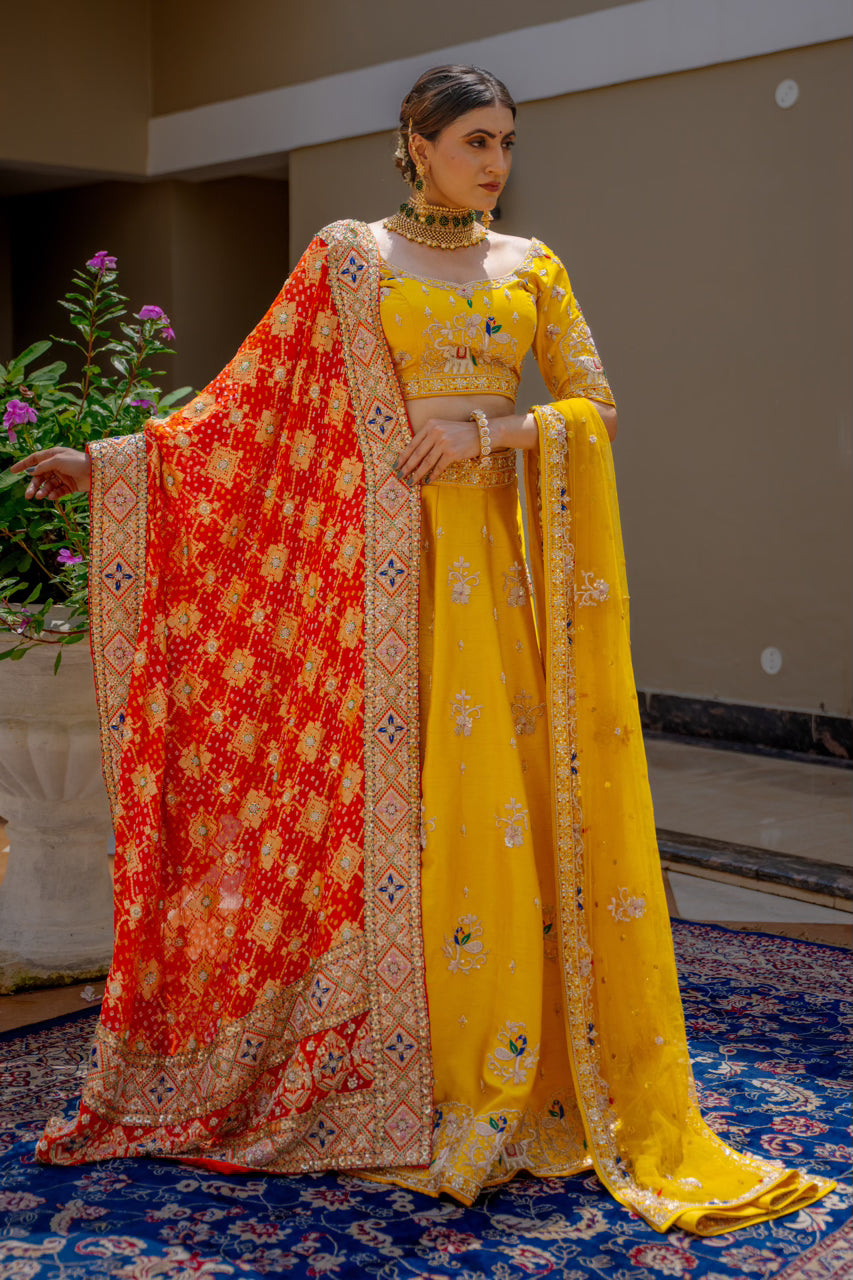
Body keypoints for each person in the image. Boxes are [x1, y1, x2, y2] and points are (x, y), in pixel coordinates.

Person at [13, 65, 832, 1234]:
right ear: (416, 140)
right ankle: (404, 1068)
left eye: (506, 142)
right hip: (379, 593)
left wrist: (499, 431)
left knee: (496, 808)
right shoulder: (350, 260)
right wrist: (111, 464)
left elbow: (594, 409)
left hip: (495, 579)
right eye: (473, 140)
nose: (494, 163)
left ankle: (506, 1064)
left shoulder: (531, 265)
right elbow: (245, 411)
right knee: (403, 818)